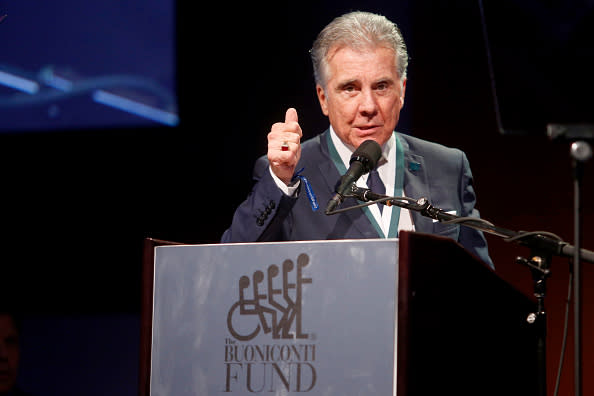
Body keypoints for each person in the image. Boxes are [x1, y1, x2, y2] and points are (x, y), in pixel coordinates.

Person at [221, 11, 493, 268]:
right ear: (323, 98)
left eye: (381, 86)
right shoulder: (290, 175)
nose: (368, 106)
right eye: (350, 88)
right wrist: (279, 181)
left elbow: (479, 284)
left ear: (402, 91)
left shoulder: (447, 166)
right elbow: (232, 263)